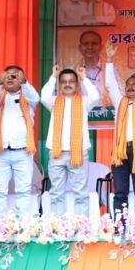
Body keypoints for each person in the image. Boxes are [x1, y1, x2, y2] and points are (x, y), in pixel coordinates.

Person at [104, 41, 135, 222]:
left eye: (134, 84)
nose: (130, 87)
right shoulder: (120, 102)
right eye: (128, 84)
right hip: (120, 151)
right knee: (120, 192)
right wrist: (109, 60)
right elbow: (110, 85)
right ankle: (119, 227)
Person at [40, 66, 100, 216]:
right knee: (56, 193)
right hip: (57, 153)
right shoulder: (54, 102)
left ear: (77, 84)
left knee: (81, 193)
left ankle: (81, 226)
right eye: (64, 82)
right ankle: (57, 226)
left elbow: (95, 97)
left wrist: (84, 77)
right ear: (59, 85)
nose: (67, 84)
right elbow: (44, 96)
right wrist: (53, 76)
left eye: (71, 81)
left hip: (78, 153)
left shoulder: (84, 102)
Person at [0, 65, 40, 217]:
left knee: (23, 190)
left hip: (23, 151)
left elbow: (36, 98)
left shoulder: (28, 97)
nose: (10, 78)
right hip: (0, 152)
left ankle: (22, 224)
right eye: (7, 75)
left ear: (21, 78)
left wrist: (24, 83)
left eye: (14, 75)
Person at [77, 30, 121, 106]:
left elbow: (119, 94)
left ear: (101, 47)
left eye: (94, 43)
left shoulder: (110, 69)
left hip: (107, 112)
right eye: (85, 44)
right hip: (81, 112)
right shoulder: (74, 70)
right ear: (80, 48)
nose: (90, 47)